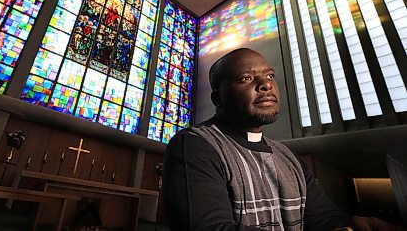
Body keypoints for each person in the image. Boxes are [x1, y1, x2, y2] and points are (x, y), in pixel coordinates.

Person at [162, 48, 404, 231]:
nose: (266, 84)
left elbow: (324, 219)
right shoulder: (195, 145)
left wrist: (356, 225)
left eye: (270, 75)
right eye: (246, 78)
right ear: (217, 98)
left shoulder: (288, 158)